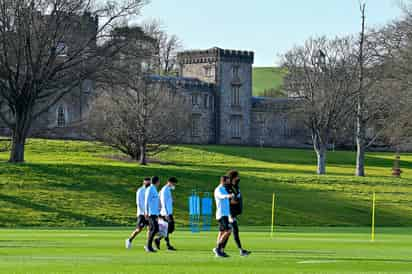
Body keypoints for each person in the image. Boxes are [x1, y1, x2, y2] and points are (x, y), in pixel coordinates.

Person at [223, 170, 251, 256]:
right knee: (234, 230)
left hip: (234, 212)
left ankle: (220, 249)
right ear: (233, 177)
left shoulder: (235, 186)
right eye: (237, 176)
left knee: (228, 232)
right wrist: (235, 201)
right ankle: (241, 250)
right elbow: (230, 200)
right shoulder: (228, 187)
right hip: (229, 213)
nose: (239, 178)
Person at [125, 177, 151, 249]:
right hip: (142, 213)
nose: (149, 184)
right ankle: (129, 240)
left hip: (149, 213)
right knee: (139, 229)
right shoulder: (140, 190)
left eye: (149, 182)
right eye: (147, 182)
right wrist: (144, 212)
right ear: (144, 182)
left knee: (150, 229)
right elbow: (138, 203)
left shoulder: (150, 190)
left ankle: (147, 245)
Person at [213, 176, 234, 258]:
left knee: (221, 232)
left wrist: (230, 215)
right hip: (221, 214)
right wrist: (228, 196)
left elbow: (226, 204)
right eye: (227, 181)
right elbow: (221, 196)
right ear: (223, 181)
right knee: (229, 230)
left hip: (225, 214)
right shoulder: (218, 189)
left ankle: (220, 251)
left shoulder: (224, 189)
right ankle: (218, 249)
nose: (228, 183)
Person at [155, 177, 178, 251]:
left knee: (167, 228)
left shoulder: (166, 189)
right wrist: (166, 213)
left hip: (167, 212)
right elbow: (163, 201)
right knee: (170, 228)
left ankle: (166, 244)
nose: (174, 185)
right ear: (170, 182)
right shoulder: (165, 190)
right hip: (166, 213)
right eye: (174, 183)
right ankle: (159, 239)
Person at [144, 176, 161, 253]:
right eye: (159, 181)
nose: (159, 183)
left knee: (153, 229)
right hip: (150, 213)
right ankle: (148, 246)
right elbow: (146, 201)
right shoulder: (150, 189)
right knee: (154, 229)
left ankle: (149, 246)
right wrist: (146, 211)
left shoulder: (154, 189)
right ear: (157, 182)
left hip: (154, 213)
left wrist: (158, 213)